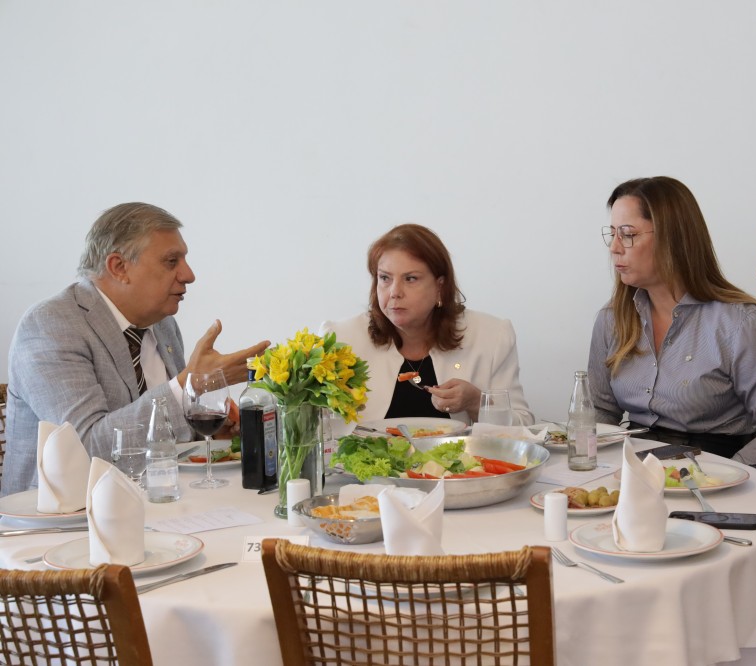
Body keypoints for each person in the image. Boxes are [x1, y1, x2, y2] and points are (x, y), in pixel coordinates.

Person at [3, 202, 270, 496]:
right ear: (119, 267)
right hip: (67, 514)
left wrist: (209, 430)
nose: (188, 274)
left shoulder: (163, 324)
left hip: (159, 501)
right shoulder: (51, 326)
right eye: (171, 261)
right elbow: (86, 449)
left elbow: (160, 435)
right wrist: (187, 387)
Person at [588, 176, 756, 473]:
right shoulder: (611, 318)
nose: (614, 247)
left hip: (712, 475)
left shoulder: (738, 322)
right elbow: (601, 412)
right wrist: (596, 467)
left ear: (672, 238)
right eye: (612, 234)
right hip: (633, 474)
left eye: (628, 234)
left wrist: (724, 477)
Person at [320, 223, 533, 425]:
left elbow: (523, 427)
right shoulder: (341, 340)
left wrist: (476, 402)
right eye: (385, 278)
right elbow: (318, 427)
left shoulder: (492, 336)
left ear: (440, 287)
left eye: (410, 279)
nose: (394, 292)